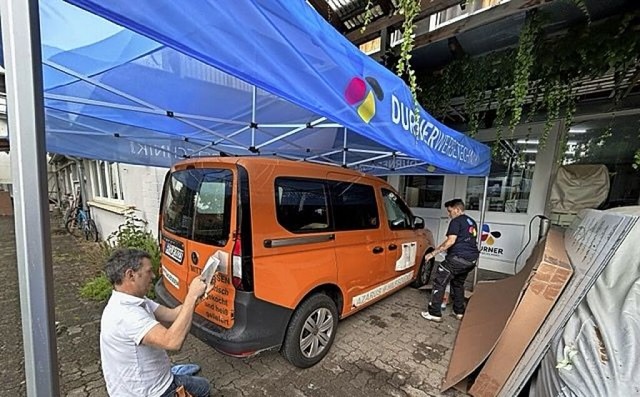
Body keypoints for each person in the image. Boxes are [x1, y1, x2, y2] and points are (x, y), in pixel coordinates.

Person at [100, 248, 210, 397]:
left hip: (142, 382)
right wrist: (191, 297)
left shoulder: (134, 300)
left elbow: (171, 314)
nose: (153, 276)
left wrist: (196, 297)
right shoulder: (126, 315)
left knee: (189, 376)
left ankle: (170, 373)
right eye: (148, 271)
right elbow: (172, 342)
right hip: (152, 392)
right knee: (204, 388)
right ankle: (172, 379)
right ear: (131, 275)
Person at [421, 199, 480, 322]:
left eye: (450, 211)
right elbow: (461, 241)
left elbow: (451, 241)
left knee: (439, 281)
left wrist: (433, 253)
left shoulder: (456, 221)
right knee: (457, 284)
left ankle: (434, 313)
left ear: (457, 210)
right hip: (471, 260)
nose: (449, 214)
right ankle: (459, 312)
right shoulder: (471, 222)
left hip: (458, 258)